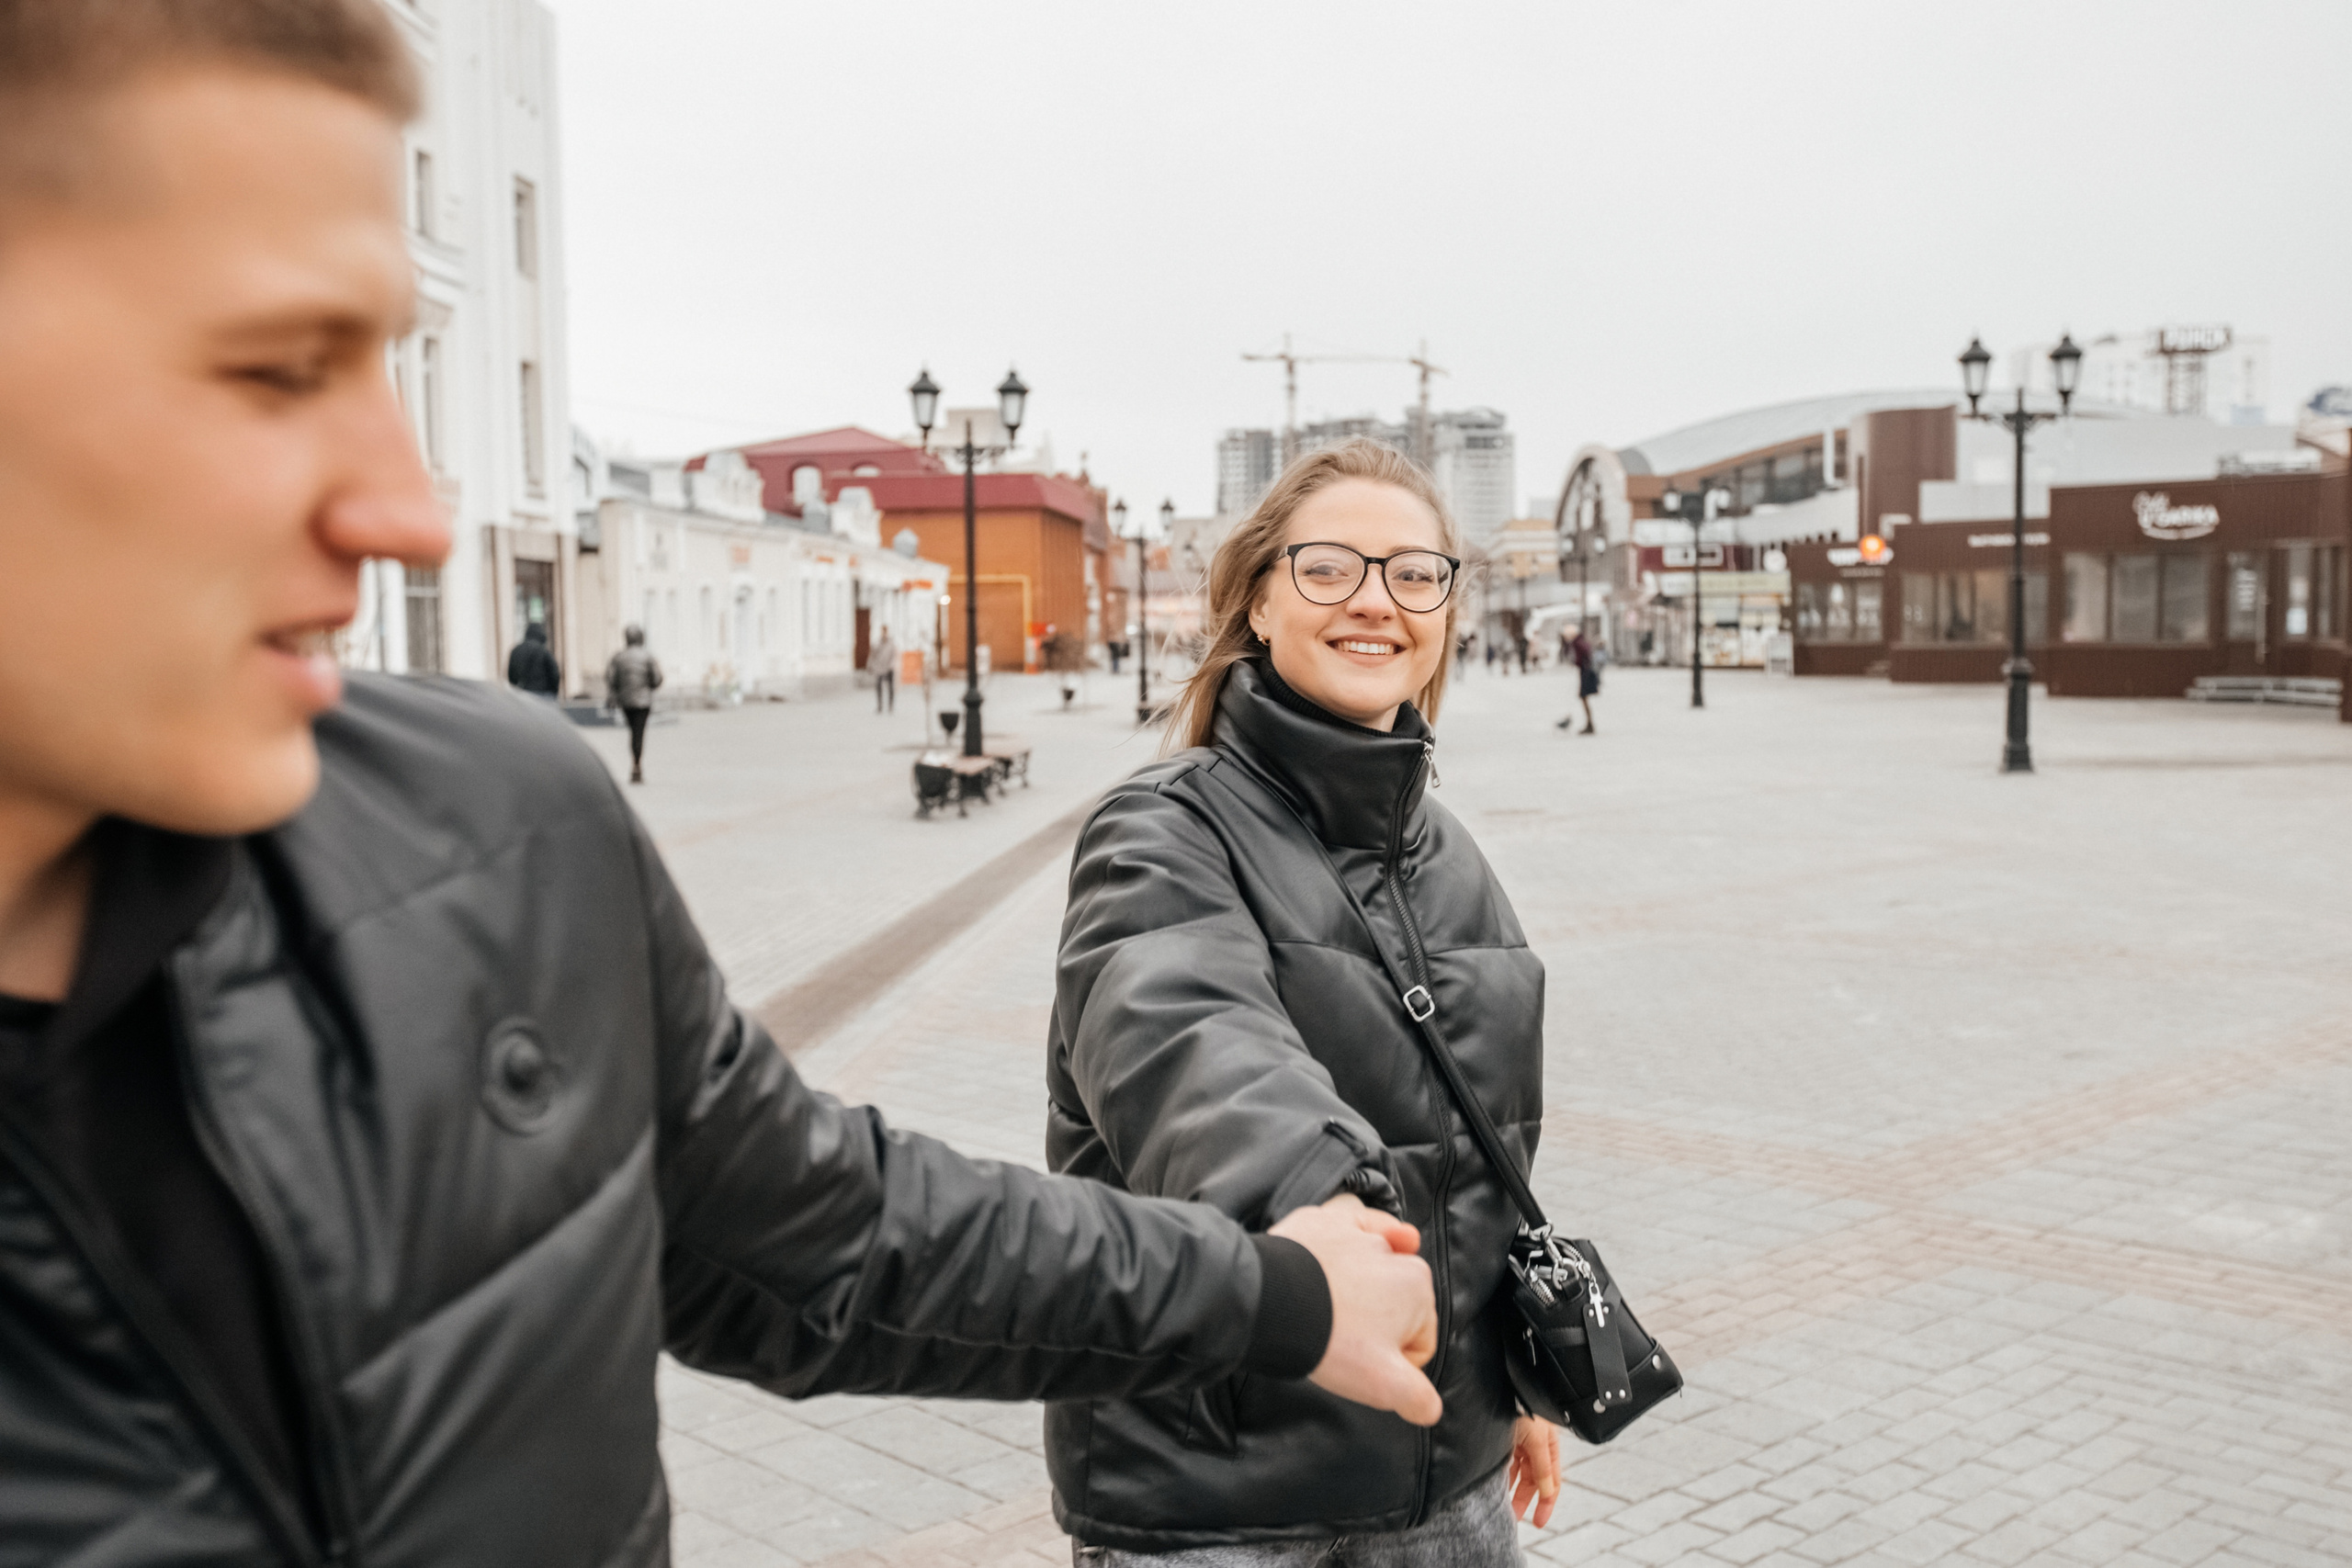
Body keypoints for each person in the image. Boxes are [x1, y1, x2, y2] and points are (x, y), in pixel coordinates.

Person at [0, 10, 1446, 1563]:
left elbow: (830, 1238)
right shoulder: (1169, 828)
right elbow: (1189, 1032)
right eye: (275, 367)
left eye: (392, 360)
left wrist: (1282, 1296)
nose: (409, 510)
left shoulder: (496, 836)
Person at [1046, 439, 1558, 1564]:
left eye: (1413, 574)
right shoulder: (1164, 831)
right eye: (1330, 569)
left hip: (1448, 1478)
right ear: (1259, 600)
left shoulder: (1452, 857)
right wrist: (1317, 1197)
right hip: (1224, 1488)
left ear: (1444, 614)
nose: (1375, 602)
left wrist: (1515, 1367)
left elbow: (1485, 1159)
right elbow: (1186, 1042)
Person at [605, 624, 663, 783]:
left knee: (634, 732)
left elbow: (611, 679)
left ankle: (635, 761)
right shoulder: (647, 656)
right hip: (643, 702)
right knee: (639, 733)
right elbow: (657, 679)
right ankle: (637, 763)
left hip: (626, 702)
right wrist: (647, 686)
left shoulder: (618, 657)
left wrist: (616, 693)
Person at [1555, 626, 1599, 735]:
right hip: (1588, 671)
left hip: (1585, 672)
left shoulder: (1576, 643)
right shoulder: (1581, 641)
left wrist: (1578, 663)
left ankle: (1590, 724)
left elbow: (1577, 659)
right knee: (1584, 698)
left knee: (1583, 698)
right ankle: (1590, 724)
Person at [506, 618, 560, 696]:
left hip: (523, 694)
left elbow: (511, 676)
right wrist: (554, 691)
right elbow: (554, 672)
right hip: (543, 693)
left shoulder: (516, 651)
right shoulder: (542, 650)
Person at [868, 625, 896, 714]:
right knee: (878, 687)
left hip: (889, 668)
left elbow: (894, 655)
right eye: (882, 631)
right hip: (879, 668)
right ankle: (880, 706)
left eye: (885, 631)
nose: (884, 633)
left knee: (890, 688)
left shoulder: (891, 643)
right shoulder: (877, 643)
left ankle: (890, 706)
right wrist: (870, 665)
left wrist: (891, 665)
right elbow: (872, 655)